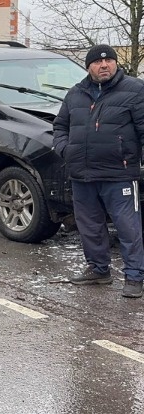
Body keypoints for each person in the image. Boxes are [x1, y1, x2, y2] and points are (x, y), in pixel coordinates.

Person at [53, 44, 144, 298]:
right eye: (97, 62)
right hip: (82, 174)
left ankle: (135, 276)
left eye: (109, 61)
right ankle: (99, 269)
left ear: (115, 64)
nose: (104, 65)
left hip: (120, 174)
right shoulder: (75, 94)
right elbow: (60, 126)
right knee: (90, 226)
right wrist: (65, 149)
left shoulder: (135, 90)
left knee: (128, 228)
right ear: (88, 67)